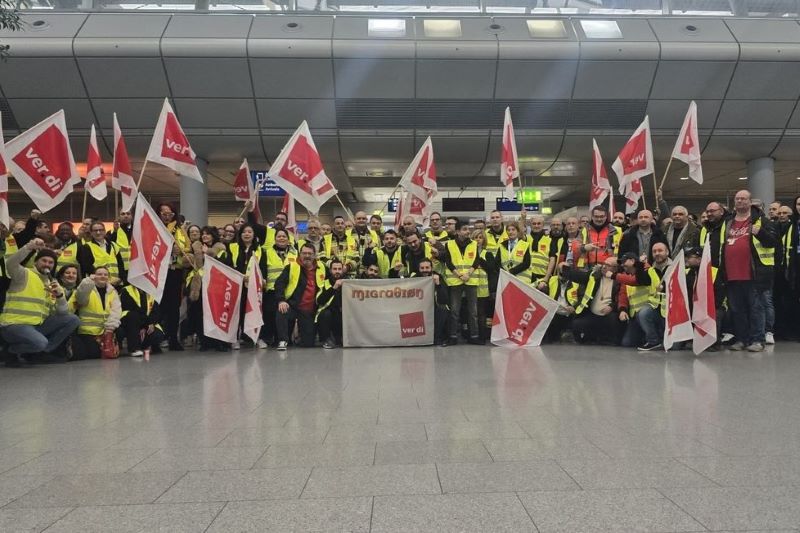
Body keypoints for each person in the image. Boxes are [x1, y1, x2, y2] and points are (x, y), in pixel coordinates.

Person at [0, 239, 80, 366]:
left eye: (51, 262)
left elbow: (63, 313)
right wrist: (29, 247)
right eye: (44, 261)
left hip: (37, 325)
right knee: (40, 342)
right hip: (14, 325)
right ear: (36, 262)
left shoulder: (50, 283)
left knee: (73, 319)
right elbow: (10, 263)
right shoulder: (24, 274)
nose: (47, 264)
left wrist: (60, 296)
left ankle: (42, 351)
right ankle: (10, 351)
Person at [720, 190, 776, 352]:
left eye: (743, 199)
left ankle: (757, 339)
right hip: (731, 274)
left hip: (753, 273)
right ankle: (741, 339)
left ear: (750, 202)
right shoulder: (729, 222)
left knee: (756, 309)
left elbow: (773, 242)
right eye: (737, 199)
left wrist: (760, 233)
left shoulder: (761, 221)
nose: (740, 201)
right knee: (737, 310)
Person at [274, 243, 328, 350]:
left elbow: (330, 283)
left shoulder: (322, 267)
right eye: (304, 253)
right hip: (293, 306)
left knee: (308, 344)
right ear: (300, 254)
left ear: (314, 255)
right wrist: (281, 300)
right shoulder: (291, 267)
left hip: (309, 310)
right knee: (281, 310)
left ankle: (300, 337)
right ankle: (283, 340)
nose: (307, 256)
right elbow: (279, 284)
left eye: (310, 253)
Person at [223, 224, 267, 350]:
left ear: (254, 235)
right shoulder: (232, 247)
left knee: (255, 311)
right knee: (237, 312)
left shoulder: (260, 250)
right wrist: (241, 277)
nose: (247, 234)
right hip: (237, 286)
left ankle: (257, 337)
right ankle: (235, 338)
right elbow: (229, 265)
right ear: (240, 234)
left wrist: (263, 280)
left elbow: (263, 267)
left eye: (250, 232)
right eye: (244, 232)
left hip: (254, 287)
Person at [187, 226, 229, 352]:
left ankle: (219, 342)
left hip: (215, 285)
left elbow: (224, 264)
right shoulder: (195, 248)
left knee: (215, 313)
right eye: (203, 234)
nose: (204, 236)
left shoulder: (220, 248)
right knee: (199, 314)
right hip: (199, 284)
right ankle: (204, 341)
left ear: (213, 236)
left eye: (208, 234)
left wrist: (209, 253)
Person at [441, 219, 482, 346]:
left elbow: (476, 261)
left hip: (471, 280)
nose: (467, 231)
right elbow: (448, 262)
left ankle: (474, 336)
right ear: (458, 231)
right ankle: (453, 336)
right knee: (454, 310)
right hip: (455, 281)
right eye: (464, 229)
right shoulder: (449, 244)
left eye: (468, 229)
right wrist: (459, 275)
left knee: (473, 311)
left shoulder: (474, 244)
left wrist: (468, 274)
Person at [156, 202, 191, 351]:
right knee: (158, 306)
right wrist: (168, 249)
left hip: (175, 271)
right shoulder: (155, 227)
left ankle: (172, 338)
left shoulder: (180, 230)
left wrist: (179, 250)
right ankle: (156, 338)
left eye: (170, 214)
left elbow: (188, 247)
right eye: (164, 214)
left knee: (174, 307)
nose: (167, 217)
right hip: (158, 272)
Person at [69, 267, 122, 360]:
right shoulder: (86, 288)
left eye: (105, 275)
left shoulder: (112, 292)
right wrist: (87, 282)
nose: (103, 276)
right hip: (87, 331)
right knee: (94, 354)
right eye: (99, 274)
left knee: (121, 331)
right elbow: (81, 298)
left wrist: (109, 331)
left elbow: (116, 311)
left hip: (106, 330)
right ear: (93, 276)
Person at [567, 257, 622, 345]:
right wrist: (565, 270)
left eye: (608, 265)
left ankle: (609, 340)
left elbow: (620, 299)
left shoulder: (619, 280)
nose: (604, 267)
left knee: (614, 320)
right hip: (592, 314)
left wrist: (611, 307)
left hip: (608, 315)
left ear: (615, 268)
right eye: (604, 264)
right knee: (577, 324)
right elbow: (579, 276)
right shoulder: (595, 276)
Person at [633, 242, 673, 351]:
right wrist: (640, 265)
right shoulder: (650, 269)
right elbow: (640, 281)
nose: (657, 253)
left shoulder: (675, 267)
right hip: (656, 307)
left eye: (660, 250)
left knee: (674, 347)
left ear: (667, 252)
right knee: (643, 313)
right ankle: (653, 341)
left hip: (672, 310)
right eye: (654, 251)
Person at [263, 227, 297, 348]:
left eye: (284, 236)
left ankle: (287, 339)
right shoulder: (267, 253)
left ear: (288, 240)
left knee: (289, 317)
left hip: (290, 290)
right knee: (272, 316)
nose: (281, 238)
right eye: (279, 236)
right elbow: (262, 270)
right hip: (272, 290)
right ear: (275, 239)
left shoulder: (295, 253)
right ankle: (273, 339)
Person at [119, 284, 164, 358]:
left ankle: (143, 345)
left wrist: (150, 323)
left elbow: (156, 312)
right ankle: (134, 349)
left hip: (146, 322)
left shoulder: (151, 292)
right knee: (133, 316)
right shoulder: (126, 290)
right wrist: (146, 324)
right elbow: (132, 309)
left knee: (158, 334)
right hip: (128, 322)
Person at [417, 258, 450, 346]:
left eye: (427, 267)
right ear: (419, 269)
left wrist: (438, 284)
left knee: (443, 310)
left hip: (434, 307)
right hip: (417, 307)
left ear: (431, 268)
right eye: (422, 268)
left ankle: (438, 338)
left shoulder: (438, 277)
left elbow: (444, 299)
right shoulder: (414, 277)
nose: (424, 270)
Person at [317, 259, 345, 349]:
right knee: (325, 314)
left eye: (339, 269)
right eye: (335, 269)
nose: (337, 271)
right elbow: (319, 301)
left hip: (343, 315)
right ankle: (326, 339)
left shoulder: (348, 283)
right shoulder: (324, 283)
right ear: (330, 270)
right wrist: (334, 287)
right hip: (329, 316)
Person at [526, 214, 556, 285]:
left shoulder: (549, 240)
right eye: (534, 224)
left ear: (543, 225)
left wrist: (546, 278)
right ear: (530, 225)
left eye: (539, 223)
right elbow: (519, 231)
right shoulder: (526, 239)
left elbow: (552, 260)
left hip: (542, 277)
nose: (536, 226)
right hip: (528, 277)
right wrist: (523, 218)